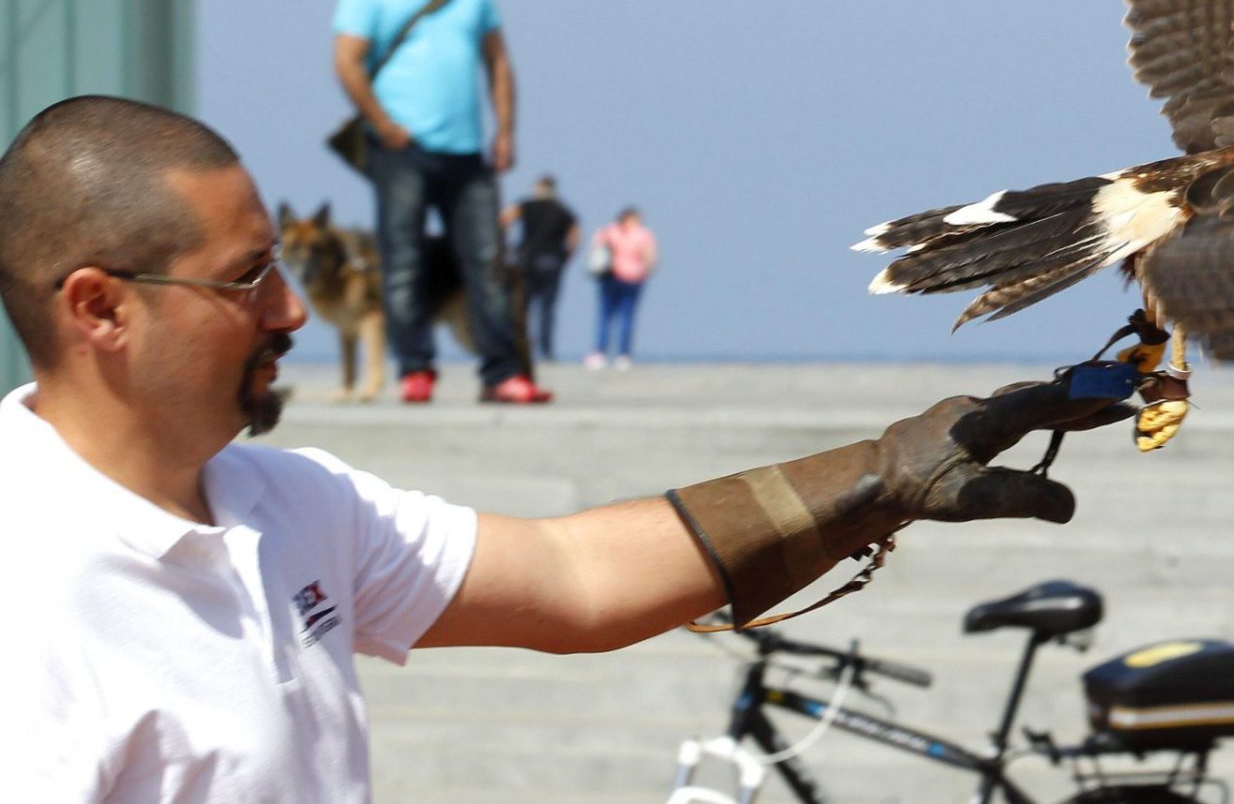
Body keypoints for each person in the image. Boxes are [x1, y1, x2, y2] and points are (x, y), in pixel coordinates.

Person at [0, 96, 1128, 801]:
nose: (295, 311)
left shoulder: (286, 502)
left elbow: (574, 581)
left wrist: (884, 475)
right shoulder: (28, 596)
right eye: (249, 278)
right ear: (100, 308)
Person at [332, 0, 544, 405]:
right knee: (403, 261)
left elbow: (497, 61)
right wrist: (381, 122)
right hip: (401, 148)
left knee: (487, 260)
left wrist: (506, 130)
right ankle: (415, 368)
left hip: (467, 150)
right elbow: (346, 61)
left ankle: (502, 372)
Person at [502, 175, 579, 362]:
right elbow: (575, 237)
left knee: (522, 308)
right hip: (553, 261)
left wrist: (504, 246)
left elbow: (504, 219)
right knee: (548, 310)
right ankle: (546, 351)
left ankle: (520, 349)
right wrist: (566, 257)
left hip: (527, 261)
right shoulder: (563, 210)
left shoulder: (526, 206)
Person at [588, 206, 657, 369]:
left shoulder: (606, 232)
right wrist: (647, 271)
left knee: (605, 316)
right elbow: (650, 257)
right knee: (627, 317)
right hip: (633, 278)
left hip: (610, 276)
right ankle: (623, 355)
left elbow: (595, 252)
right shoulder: (643, 234)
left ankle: (599, 353)